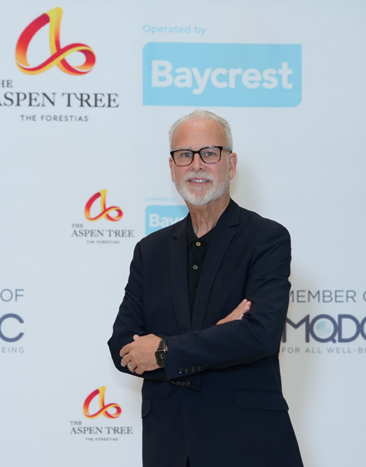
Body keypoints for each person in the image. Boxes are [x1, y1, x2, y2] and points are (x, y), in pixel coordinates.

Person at [108, 110, 303, 467]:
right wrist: (218, 336)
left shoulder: (266, 239)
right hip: (170, 447)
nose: (196, 164)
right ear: (172, 168)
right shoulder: (150, 251)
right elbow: (122, 346)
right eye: (185, 155)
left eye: (209, 153)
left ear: (231, 164)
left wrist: (164, 351)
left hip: (247, 445)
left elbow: (259, 334)